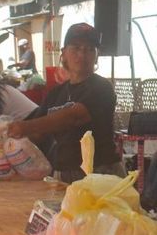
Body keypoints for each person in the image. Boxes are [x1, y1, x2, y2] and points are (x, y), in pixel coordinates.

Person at [9, 23, 125, 182]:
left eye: (90, 49)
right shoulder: (56, 94)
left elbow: (73, 117)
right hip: (63, 173)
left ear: (97, 55)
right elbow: (38, 133)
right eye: (76, 48)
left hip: (101, 173)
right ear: (64, 53)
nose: (82, 55)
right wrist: (7, 141)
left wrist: (24, 127)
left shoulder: (102, 88)